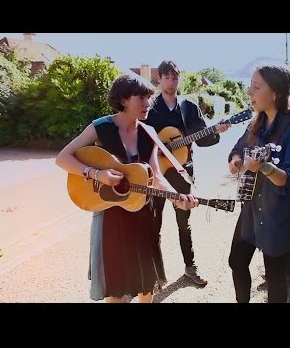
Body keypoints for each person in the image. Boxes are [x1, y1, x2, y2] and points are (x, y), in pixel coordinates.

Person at [55, 74, 199, 303]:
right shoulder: (100, 128)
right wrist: (96, 174)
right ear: (123, 100)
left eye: (149, 98)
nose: (148, 103)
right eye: (141, 98)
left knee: (146, 285)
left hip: (143, 215)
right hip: (111, 218)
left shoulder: (149, 133)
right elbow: (63, 159)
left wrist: (177, 197)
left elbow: (156, 175)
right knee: (116, 289)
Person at [227, 65, 290, 303]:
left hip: (281, 214)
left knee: (275, 276)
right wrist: (236, 161)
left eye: (256, 87)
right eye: (250, 85)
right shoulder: (257, 121)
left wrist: (264, 167)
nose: (249, 91)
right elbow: (238, 148)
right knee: (236, 262)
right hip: (253, 207)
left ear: (275, 93)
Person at [144, 60, 230, 286]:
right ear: (159, 79)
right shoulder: (150, 108)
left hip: (182, 172)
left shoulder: (189, 107)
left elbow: (202, 139)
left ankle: (190, 268)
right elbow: (141, 138)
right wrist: (157, 153)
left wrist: (216, 131)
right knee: (154, 224)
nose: (171, 81)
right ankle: (155, 274)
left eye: (175, 77)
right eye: (167, 77)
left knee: (184, 222)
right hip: (157, 173)